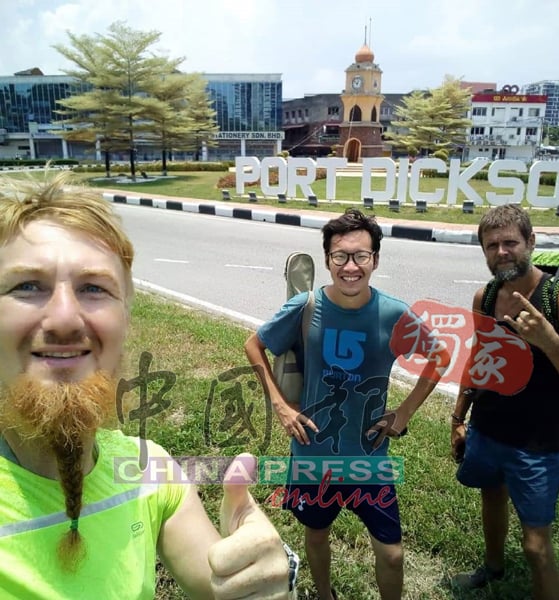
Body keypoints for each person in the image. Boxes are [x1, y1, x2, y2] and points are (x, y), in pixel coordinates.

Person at [0, 172, 292, 599]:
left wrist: (257, 575)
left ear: (124, 322)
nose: (64, 318)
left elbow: (216, 584)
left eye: (93, 288)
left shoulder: (147, 471)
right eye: (28, 286)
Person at [245, 208, 449, 600]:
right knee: (316, 534)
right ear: (327, 260)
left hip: (369, 458)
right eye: (340, 256)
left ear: (375, 260)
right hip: (313, 453)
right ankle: (325, 595)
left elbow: (439, 357)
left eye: (361, 256)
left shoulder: (392, 314)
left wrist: (404, 412)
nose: (350, 266)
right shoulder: (306, 307)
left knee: (392, 554)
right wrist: (279, 404)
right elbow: (254, 344)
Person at [450, 204, 559, 599]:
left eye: (511, 243)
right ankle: (493, 567)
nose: (502, 252)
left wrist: (550, 341)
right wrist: (458, 415)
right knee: (491, 497)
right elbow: (479, 356)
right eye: (492, 245)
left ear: (530, 242)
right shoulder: (486, 296)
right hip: (487, 427)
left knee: (536, 546)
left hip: (536, 442)